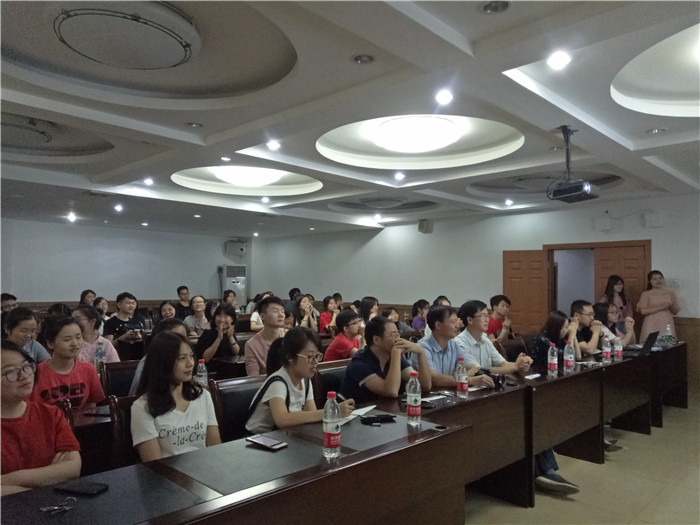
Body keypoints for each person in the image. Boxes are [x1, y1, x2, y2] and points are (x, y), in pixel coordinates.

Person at [1, 340, 81, 496]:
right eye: (10, 372)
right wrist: (46, 478)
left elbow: (72, 468)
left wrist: (8, 480)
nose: (24, 376)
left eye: (27, 366)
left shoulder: (50, 414)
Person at [131, 332, 221, 461]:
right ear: (163, 362)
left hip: (204, 469)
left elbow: (215, 448)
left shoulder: (203, 396)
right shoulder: (142, 407)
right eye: (182, 358)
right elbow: (154, 463)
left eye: (191, 356)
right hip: (168, 472)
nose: (190, 363)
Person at [246, 327, 355, 434]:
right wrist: (331, 412)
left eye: (317, 356)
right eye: (310, 357)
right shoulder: (278, 382)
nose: (315, 362)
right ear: (290, 358)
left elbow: (312, 415)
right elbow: (282, 420)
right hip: (256, 439)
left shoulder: (305, 381)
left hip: (282, 436)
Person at [340, 316, 432, 404]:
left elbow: (425, 385)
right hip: (360, 412)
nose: (398, 339)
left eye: (398, 334)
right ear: (376, 340)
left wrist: (421, 353)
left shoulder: (393, 356)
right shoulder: (359, 363)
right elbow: (391, 391)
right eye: (393, 335)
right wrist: (396, 353)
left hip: (388, 411)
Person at [30, 316, 105, 411]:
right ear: (50, 343)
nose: (75, 343)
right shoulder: (35, 374)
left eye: (78, 337)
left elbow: (92, 405)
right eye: (67, 339)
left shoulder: (89, 370)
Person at [413, 305, 493, 389]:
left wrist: (459, 378)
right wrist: (469, 380)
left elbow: (474, 367)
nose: (458, 326)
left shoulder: (454, 345)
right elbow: (433, 378)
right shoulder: (423, 347)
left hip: (449, 393)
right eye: (453, 322)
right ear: (438, 325)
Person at [454, 300, 532, 375]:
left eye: (487, 315)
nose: (487, 319)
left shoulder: (486, 340)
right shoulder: (459, 343)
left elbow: (503, 364)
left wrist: (521, 364)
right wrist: (516, 366)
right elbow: (478, 371)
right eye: (483, 315)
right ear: (470, 320)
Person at [130, 318, 189, 396]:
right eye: (176, 338)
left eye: (184, 338)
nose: (183, 343)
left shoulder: (185, 359)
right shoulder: (148, 362)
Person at [245, 297, 287, 376]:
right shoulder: (251, 345)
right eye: (275, 311)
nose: (281, 315)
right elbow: (254, 378)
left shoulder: (290, 337)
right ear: (262, 316)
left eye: (282, 311)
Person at [637, 270, 680, 342]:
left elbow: (674, 311)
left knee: (668, 344)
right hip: (651, 322)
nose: (658, 281)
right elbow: (643, 311)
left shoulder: (670, 293)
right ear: (649, 281)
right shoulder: (646, 294)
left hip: (666, 321)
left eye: (660, 278)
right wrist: (662, 307)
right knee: (650, 344)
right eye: (654, 279)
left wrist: (674, 305)